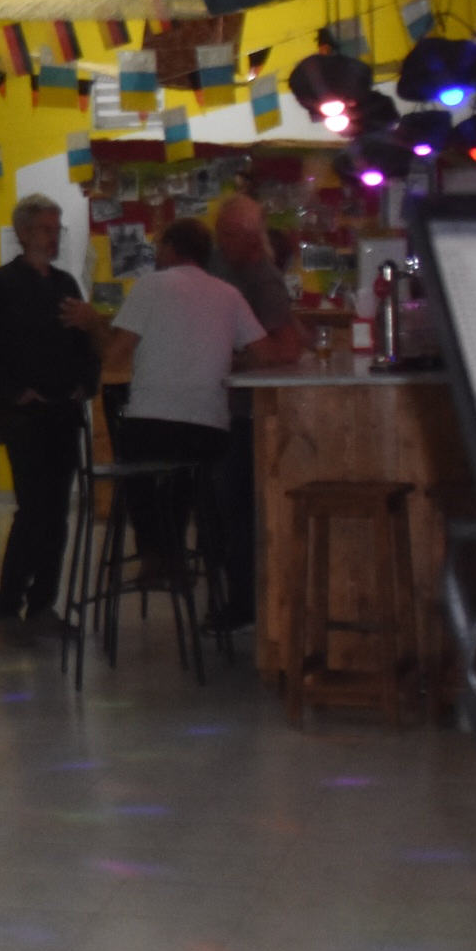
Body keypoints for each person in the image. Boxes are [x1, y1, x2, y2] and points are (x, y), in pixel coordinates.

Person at [98, 217, 274, 603]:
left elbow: (116, 353)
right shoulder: (229, 294)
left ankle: (156, 554)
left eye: (159, 247)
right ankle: (184, 560)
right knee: (186, 475)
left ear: (171, 249)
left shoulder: (149, 286)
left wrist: (95, 330)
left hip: (152, 427)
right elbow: (265, 354)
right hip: (210, 432)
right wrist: (226, 359)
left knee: (140, 461)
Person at [0, 193, 103, 644]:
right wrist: (13, 391)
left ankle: (43, 605)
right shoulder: (1, 285)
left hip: (64, 412)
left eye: (56, 229)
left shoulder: (65, 284)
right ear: (24, 233)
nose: (52, 237)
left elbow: (86, 346)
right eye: (45, 229)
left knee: (58, 514)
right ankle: (7, 608)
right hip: (25, 417)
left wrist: (86, 381)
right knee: (33, 512)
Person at [206, 195, 303, 629]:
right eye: (221, 233)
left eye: (231, 234)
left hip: (246, 412)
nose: (223, 241)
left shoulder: (262, 278)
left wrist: (240, 358)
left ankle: (243, 604)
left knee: (237, 511)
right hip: (220, 409)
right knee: (224, 512)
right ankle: (235, 600)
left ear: (252, 237)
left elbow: (286, 348)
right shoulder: (219, 266)